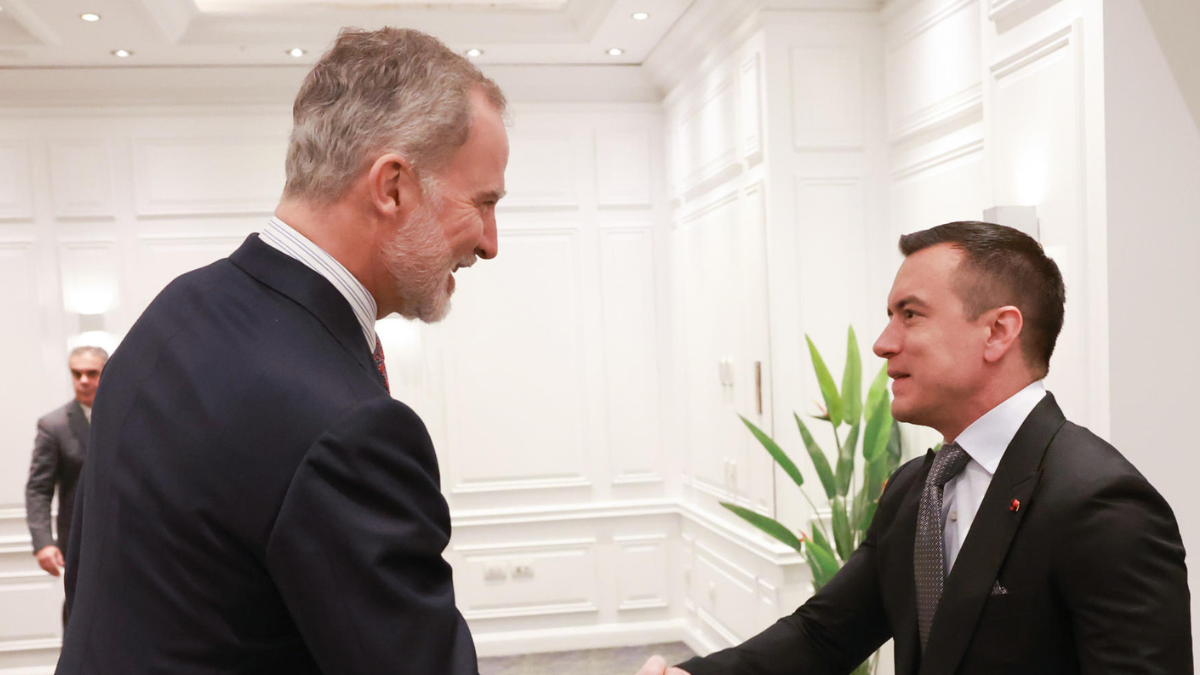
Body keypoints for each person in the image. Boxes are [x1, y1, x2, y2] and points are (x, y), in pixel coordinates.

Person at [56, 27, 508, 674]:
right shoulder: (349, 428)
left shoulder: (176, 311)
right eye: (484, 202)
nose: (491, 242)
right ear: (393, 187)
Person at [639, 222, 1191, 674]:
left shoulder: (1102, 505)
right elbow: (823, 636)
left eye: (911, 314)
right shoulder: (914, 487)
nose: (884, 343)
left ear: (998, 332)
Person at [25, 346, 107, 624]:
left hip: (125, 536)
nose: (83, 380)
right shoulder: (54, 425)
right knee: (80, 615)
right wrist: (43, 542)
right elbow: (38, 488)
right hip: (78, 539)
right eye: (77, 373)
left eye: (92, 373)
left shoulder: (126, 419)